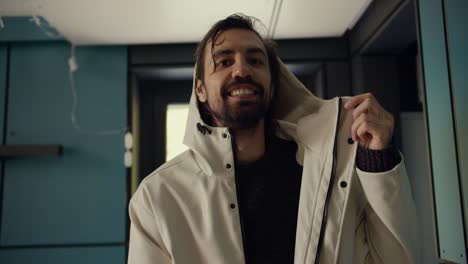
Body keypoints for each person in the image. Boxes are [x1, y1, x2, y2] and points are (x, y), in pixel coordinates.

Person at [128, 14, 417, 264]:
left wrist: (379, 162)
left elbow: (389, 259)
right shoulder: (158, 197)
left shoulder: (326, 169)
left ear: (273, 84)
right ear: (200, 90)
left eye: (255, 60)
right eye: (224, 61)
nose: (241, 70)